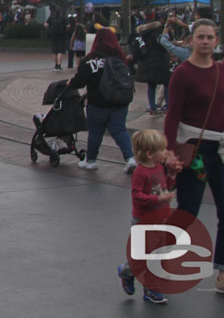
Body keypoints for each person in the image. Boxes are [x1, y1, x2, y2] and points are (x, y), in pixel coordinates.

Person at [163, 18, 224, 294]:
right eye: (200, 37)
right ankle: (156, 260)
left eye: (210, 37)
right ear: (190, 41)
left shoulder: (222, 71)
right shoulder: (183, 73)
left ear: (217, 41)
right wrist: (169, 152)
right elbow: (172, 115)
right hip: (195, 153)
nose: (205, 42)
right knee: (189, 213)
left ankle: (222, 271)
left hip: (220, 152)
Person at [116, 129, 177, 305]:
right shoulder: (141, 172)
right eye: (163, 150)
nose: (166, 152)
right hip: (143, 220)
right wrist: (158, 199)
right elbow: (137, 196)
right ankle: (134, 276)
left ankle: (149, 286)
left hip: (160, 218)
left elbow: (165, 186)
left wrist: (172, 176)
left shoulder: (159, 168)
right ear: (150, 154)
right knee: (143, 256)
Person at [69, 28, 136, 171]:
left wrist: (70, 82)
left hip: (97, 103)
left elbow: (79, 82)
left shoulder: (90, 60)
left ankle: (91, 160)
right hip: (120, 102)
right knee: (119, 130)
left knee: (95, 132)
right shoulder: (120, 59)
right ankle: (130, 158)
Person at [132, 16, 173, 115]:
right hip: (162, 61)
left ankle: (152, 108)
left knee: (151, 86)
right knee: (167, 83)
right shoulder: (161, 31)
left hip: (147, 63)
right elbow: (167, 43)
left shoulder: (142, 34)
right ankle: (167, 106)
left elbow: (137, 50)